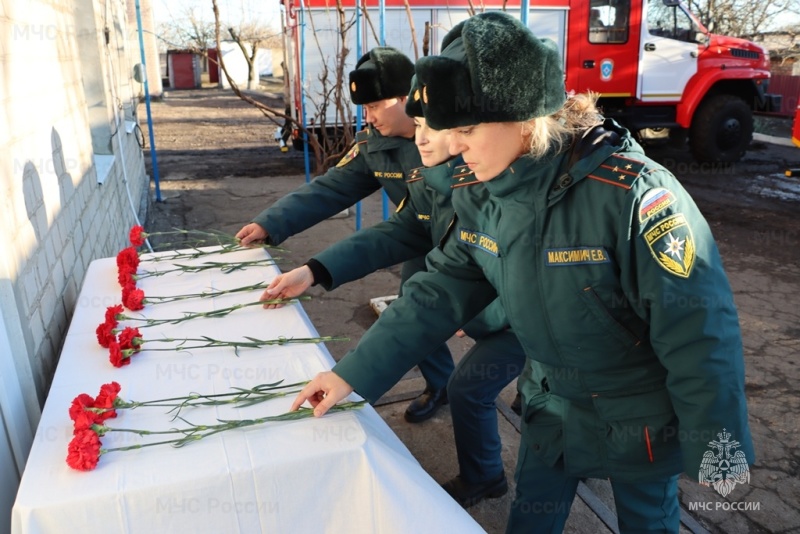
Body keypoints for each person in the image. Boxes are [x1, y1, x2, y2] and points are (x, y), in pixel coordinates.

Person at [290, 12, 754, 533]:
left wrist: (719, 445)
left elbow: (699, 331)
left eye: (465, 130)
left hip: (637, 419)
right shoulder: (481, 191)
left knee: (648, 522)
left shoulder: (632, 197)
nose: (455, 146)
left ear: (525, 117)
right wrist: (350, 375)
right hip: (550, 409)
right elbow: (439, 289)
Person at [264, 76, 525, 506]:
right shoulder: (439, 174)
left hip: (530, 322)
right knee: (433, 328)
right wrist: (314, 270)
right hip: (496, 306)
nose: (421, 139)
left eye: (433, 126)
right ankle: (489, 455)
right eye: (419, 124)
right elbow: (412, 240)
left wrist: (484, 314)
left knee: (530, 404)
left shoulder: (500, 181)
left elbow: (538, 284)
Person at [236, 47, 453, 422]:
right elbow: (332, 188)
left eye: (373, 106)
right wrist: (271, 223)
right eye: (363, 109)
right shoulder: (374, 142)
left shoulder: (451, 137)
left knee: (502, 324)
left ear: (406, 97)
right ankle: (442, 384)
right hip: (421, 236)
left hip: (474, 246)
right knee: (412, 308)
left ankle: (534, 388)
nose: (366, 116)